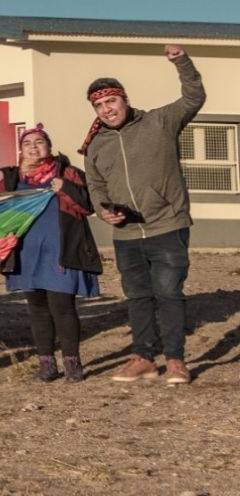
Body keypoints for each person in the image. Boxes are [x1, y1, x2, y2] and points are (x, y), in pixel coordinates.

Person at [82, 45, 205, 385]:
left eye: (111, 101)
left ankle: (176, 360)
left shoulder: (160, 122)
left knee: (168, 294)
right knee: (137, 297)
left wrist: (181, 62)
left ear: (124, 99)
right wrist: (102, 211)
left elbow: (194, 96)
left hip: (167, 226)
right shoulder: (95, 145)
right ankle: (143, 358)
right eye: (99, 105)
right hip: (126, 236)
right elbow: (96, 186)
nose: (107, 110)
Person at [0, 124, 101, 383]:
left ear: (49, 147)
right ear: (20, 150)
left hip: (60, 251)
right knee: (37, 310)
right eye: (28, 144)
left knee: (62, 307)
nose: (33, 148)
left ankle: (72, 363)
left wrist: (63, 187)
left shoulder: (67, 173)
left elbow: (88, 206)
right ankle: (46, 364)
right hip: (26, 254)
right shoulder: (11, 179)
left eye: (39, 142)